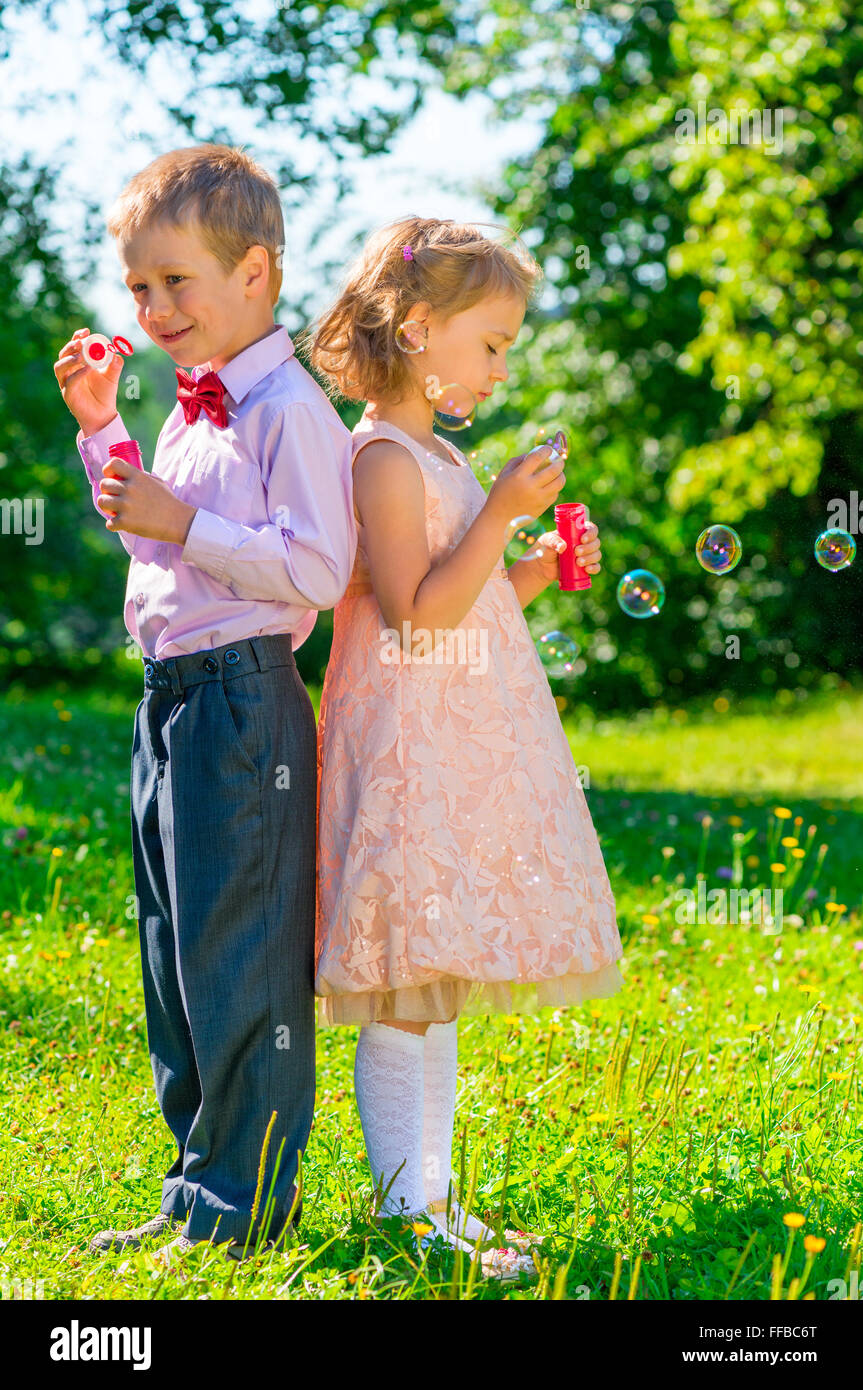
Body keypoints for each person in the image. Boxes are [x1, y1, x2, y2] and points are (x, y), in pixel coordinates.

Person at [52, 143, 356, 1267]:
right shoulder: (191, 409)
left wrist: (189, 525)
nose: (153, 305)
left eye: (176, 280)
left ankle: (248, 1206)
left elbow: (317, 571)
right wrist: (102, 430)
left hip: (242, 702)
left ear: (255, 274)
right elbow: (153, 531)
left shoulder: (289, 410)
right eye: (138, 286)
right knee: (175, 958)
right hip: (170, 700)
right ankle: (196, 1189)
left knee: (240, 956)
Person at [310, 216, 625, 1282]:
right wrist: (498, 509)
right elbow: (412, 614)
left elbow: (472, 598)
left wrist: (537, 566)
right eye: (491, 343)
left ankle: (431, 1201)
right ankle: (405, 1213)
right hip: (403, 751)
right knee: (405, 983)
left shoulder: (440, 455)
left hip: (451, 748)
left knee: (433, 985)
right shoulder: (383, 460)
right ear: (419, 326)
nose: (501, 365)